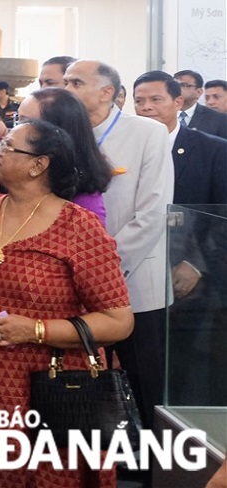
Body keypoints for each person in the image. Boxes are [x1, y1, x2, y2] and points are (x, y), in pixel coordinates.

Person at [0, 120, 133, 488]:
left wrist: (36, 330)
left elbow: (118, 321)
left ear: (39, 165)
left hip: (46, 390)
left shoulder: (78, 227)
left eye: (8, 146)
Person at [63, 60, 173, 439]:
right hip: (69, 285)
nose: (67, 89)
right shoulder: (61, 134)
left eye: (76, 82)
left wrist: (101, 270)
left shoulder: (147, 133)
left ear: (107, 92)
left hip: (135, 284)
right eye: (65, 82)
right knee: (78, 389)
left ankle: (157, 473)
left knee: (147, 390)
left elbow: (153, 212)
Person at [132, 71, 227, 406]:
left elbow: (222, 216)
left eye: (156, 100)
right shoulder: (126, 153)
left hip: (193, 282)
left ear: (178, 102)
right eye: (139, 101)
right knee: (144, 371)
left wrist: (196, 263)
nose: (147, 108)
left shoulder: (213, 150)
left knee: (185, 371)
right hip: (138, 277)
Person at [17, 87, 112, 225]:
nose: (14, 130)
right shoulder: (13, 173)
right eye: (17, 119)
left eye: (25, 122)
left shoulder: (84, 209)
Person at [173, 69, 227, 138]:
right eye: (174, 85)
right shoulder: (162, 114)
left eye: (184, 85)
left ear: (198, 92)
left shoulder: (219, 119)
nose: (178, 89)